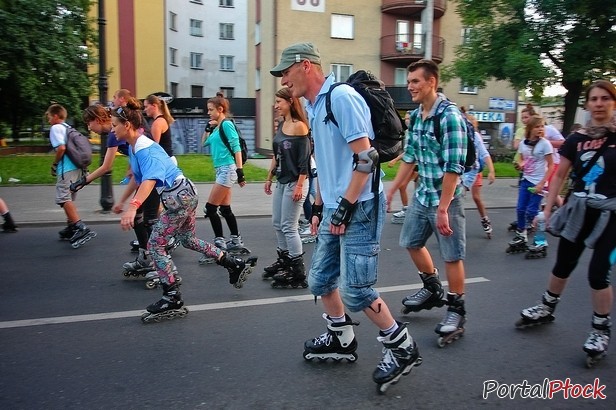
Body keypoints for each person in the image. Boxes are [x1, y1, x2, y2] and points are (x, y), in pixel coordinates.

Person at [271, 42, 421, 393]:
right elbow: (325, 160)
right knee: (321, 280)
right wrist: (321, 205)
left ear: (305, 66)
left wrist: (344, 208)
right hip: (336, 207)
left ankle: (402, 347)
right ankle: (341, 337)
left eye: (285, 71)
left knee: (356, 290)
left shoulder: (341, 98)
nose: (282, 79)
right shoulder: (314, 104)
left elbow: (366, 158)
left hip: (360, 208)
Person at [109, 101, 254, 322]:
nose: (112, 129)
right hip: (184, 193)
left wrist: (133, 207)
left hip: (178, 197)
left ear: (127, 125)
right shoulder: (134, 146)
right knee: (187, 239)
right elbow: (137, 179)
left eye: (114, 125)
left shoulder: (144, 148)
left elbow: (150, 180)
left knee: (155, 244)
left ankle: (172, 296)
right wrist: (122, 201)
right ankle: (232, 263)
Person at [516, 80, 616, 366]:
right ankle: (547, 308)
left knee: (599, 273)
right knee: (563, 264)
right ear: (587, 104)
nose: (598, 103)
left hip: (612, 216)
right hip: (579, 211)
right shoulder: (576, 139)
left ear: (613, 102)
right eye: (594, 99)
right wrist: (548, 208)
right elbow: (560, 174)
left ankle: (600, 328)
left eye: (604, 98)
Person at [386, 59, 469, 346]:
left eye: (415, 82)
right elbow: (410, 158)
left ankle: (457, 309)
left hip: (447, 199)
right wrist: (393, 189)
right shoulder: (418, 116)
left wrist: (444, 208)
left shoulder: (450, 117)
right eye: (409, 81)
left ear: (431, 82)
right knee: (411, 241)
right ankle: (432, 288)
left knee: (452, 255)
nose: (410, 87)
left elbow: (454, 168)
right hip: (423, 197)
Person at [70, 103, 162, 277]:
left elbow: (106, 166)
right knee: (141, 218)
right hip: (145, 174)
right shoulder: (117, 131)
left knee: (150, 221)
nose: (89, 128)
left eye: (89, 123)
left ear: (97, 120)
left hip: (153, 175)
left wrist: (84, 181)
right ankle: (147, 256)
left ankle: (160, 264)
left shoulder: (114, 135)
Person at [262, 87, 311, 288]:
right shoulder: (282, 125)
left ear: (290, 102)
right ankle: (285, 262)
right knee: (277, 223)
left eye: (279, 102)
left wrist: (300, 185)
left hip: (296, 183)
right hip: (282, 181)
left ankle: (298, 272)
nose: (276, 106)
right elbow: (277, 154)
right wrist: (269, 176)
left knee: (289, 227)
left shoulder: (300, 127)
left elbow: (304, 160)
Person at [200, 92, 248, 262]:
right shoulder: (217, 128)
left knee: (210, 209)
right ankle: (236, 240)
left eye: (211, 110)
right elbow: (204, 143)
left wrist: (240, 172)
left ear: (220, 110)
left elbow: (236, 147)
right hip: (221, 170)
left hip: (228, 169)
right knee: (225, 209)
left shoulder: (227, 124)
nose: (208, 113)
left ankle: (219, 245)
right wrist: (208, 127)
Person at [45, 104, 96, 248]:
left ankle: (80, 228)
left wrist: (55, 164)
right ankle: (71, 227)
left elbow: (61, 148)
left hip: (67, 168)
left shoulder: (56, 128)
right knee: (69, 198)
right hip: (79, 167)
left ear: (55, 116)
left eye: (49, 116)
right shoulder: (68, 128)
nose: (48, 119)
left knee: (63, 197)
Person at [506, 115, 554, 254]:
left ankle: (541, 241)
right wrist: (520, 165)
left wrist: (542, 183)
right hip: (526, 180)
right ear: (530, 128)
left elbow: (551, 166)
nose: (540, 129)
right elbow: (523, 159)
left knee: (532, 212)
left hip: (538, 182)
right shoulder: (523, 143)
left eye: (542, 126)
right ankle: (522, 235)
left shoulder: (545, 144)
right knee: (520, 209)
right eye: (537, 126)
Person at [460, 112, 496, 237]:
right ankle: (453, 227)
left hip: (475, 171)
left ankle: (485, 220)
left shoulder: (476, 136)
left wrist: (491, 171)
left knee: (476, 198)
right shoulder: (460, 135)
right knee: (457, 198)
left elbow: (485, 154)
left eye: (474, 126)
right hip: (463, 172)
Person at [388, 111, 417, 224]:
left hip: (417, 164)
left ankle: (409, 210)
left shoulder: (415, 131)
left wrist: (395, 160)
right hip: (412, 163)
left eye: (409, 118)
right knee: (404, 186)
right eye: (405, 118)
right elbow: (408, 152)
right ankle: (407, 209)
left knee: (404, 186)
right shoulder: (408, 132)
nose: (407, 120)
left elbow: (410, 153)